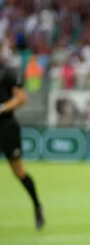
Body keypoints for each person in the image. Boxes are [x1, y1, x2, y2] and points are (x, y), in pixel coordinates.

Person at [0, 57, 44, 230]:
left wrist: (2, 108)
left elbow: (22, 98)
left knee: (18, 171)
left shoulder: (7, 74)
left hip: (6, 126)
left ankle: (37, 205)